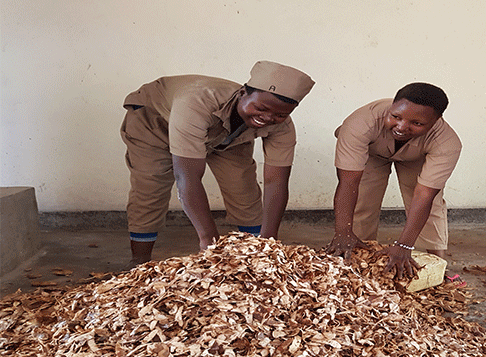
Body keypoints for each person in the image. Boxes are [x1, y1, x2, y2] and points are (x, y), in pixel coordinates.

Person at [120, 61, 314, 266]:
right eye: (260, 107)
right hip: (156, 125)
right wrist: (209, 242)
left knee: (243, 187)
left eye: (281, 114)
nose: (267, 118)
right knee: (151, 187)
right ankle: (139, 262)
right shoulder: (196, 102)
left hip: (228, 134)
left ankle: (255, 257)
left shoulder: (281, 127)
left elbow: (276, 181)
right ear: (242, 93)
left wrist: (270, 241)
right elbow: (187, 176)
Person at [326, 82, 462, 279]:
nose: (401, 127)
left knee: (429, 205)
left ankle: (435, 265)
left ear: (436, 121)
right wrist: (342, 232)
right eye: (395, 116)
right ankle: (358, 256)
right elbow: (348, 183)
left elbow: (424, 194)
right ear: (392, 107)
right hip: (371, 152)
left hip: (417, 156)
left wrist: (403, 245)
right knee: (363, 197)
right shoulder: (360, 123)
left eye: (417, 123)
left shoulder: (446, 142)